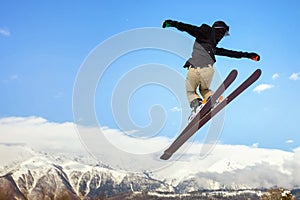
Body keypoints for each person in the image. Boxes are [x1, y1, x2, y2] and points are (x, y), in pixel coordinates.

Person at [162, 19, 260, 121]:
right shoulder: (210, 43)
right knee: (204, 90)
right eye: (223, 34)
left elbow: (189, 28)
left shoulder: (207, 36)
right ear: (219, 31)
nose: (222, 37)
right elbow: (230, 53)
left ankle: (197, 106)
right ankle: (212, 99)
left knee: (190, 91)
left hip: (196, 67)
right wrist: (248, 55)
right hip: (209, 70)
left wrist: (173, 24)